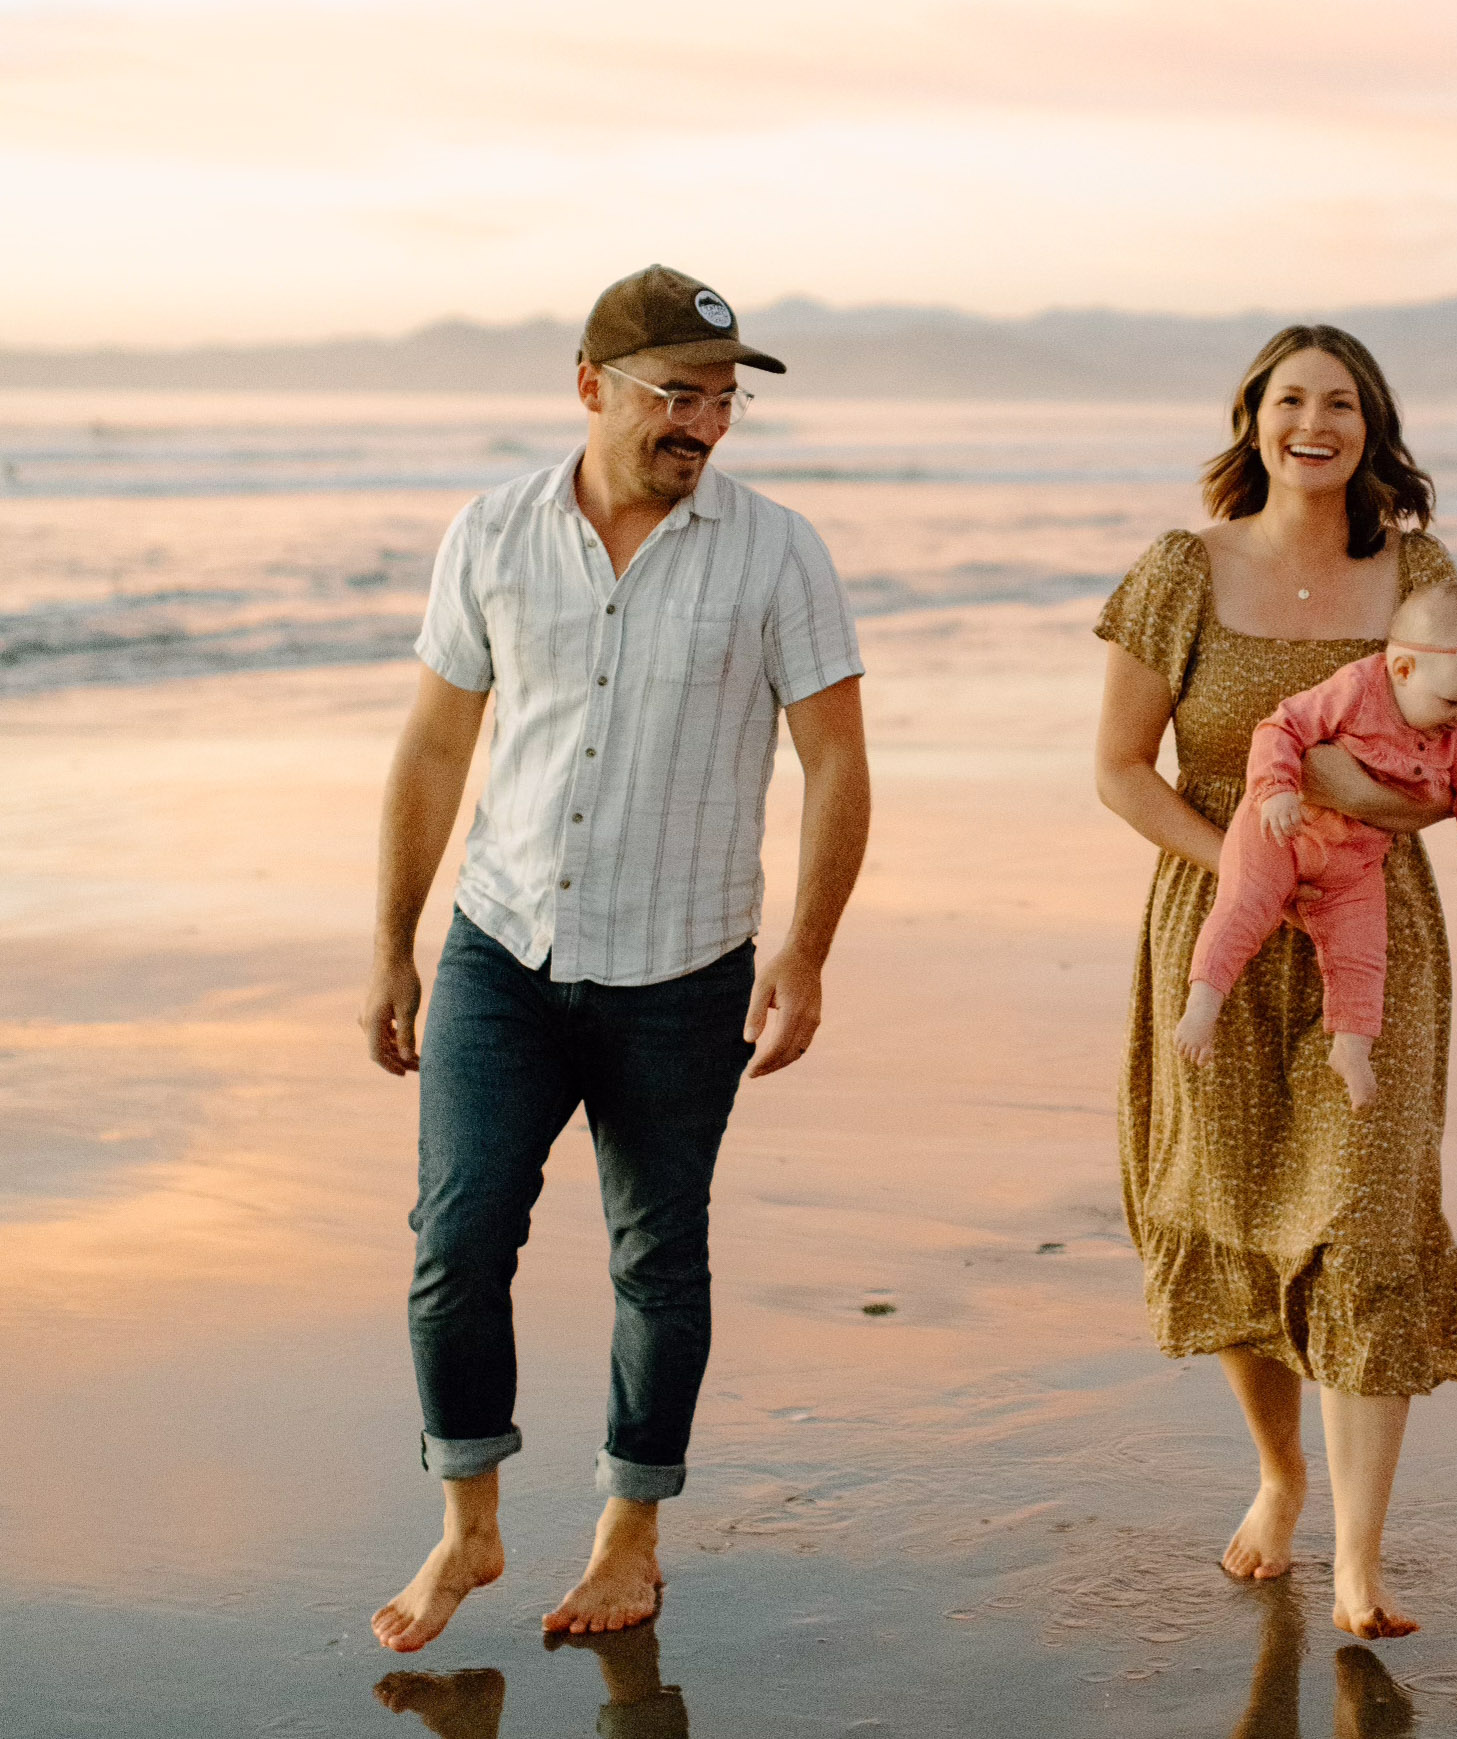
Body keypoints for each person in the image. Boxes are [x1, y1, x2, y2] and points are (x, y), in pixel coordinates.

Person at [360, 265, 871, 1653]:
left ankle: (626, 1532)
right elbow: (432, 748)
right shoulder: (490, 532)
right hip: (501, 948)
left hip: (683, 964)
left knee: (658, 1254)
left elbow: (835, 765)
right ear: (589, 386)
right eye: (673, 394)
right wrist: (391, 943)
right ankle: (469, 1519)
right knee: (455, 1243)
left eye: (718, 399)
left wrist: (806, 954)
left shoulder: (776, 550)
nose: (700, 422)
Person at [1093, 324, 1457, 1640]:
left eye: (1341, 401)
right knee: (1240, 1206)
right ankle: (1278, 1473)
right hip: (1215, 923)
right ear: (1251, 416)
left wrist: (1325, 822)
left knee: (1365, 1222)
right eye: (1289, 398)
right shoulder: (1176, 571)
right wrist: (1249, 868)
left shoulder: (1415, 572)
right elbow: (1121, 768)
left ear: (1372, 425)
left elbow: (1439, 768)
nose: (1315, 420)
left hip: (1373, 940)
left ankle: (1362, 1563)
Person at [1175, 581, 1457, 1108]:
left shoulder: (1454, 733)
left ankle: (1351, 1045)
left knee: (1362, 949)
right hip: (1284, 827)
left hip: (1354, 858)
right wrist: (1276, 789)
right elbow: (1280, 727)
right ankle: (1203, 1003)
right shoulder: (1355, 689)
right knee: (1245, 906)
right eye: (1454, 701)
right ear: (1404, 671)